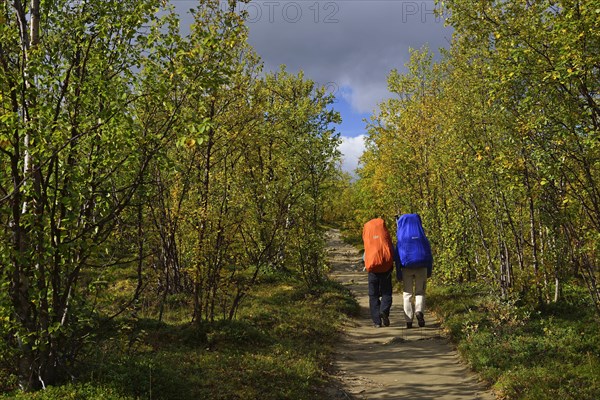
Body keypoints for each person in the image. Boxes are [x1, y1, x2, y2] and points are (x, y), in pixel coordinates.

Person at [395, 213, 433, 329]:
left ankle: (408, 321)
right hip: (421, 267)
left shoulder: (401, 236)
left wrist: (398, 273)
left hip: (406, 267)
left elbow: (397, 256)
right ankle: (419, 311)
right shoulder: (421, 235)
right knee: (420, 292)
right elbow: (429, 254)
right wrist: (429, 271)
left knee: (407, 294)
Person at [362, 217, 396, 328]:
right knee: (386, 293)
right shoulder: (384, 234)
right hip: (386, 268)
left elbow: (365, 253)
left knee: (373, 295)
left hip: (372, 269)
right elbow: (391, 249)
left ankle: (377, 322)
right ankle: (384, 311)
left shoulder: (368, 234)